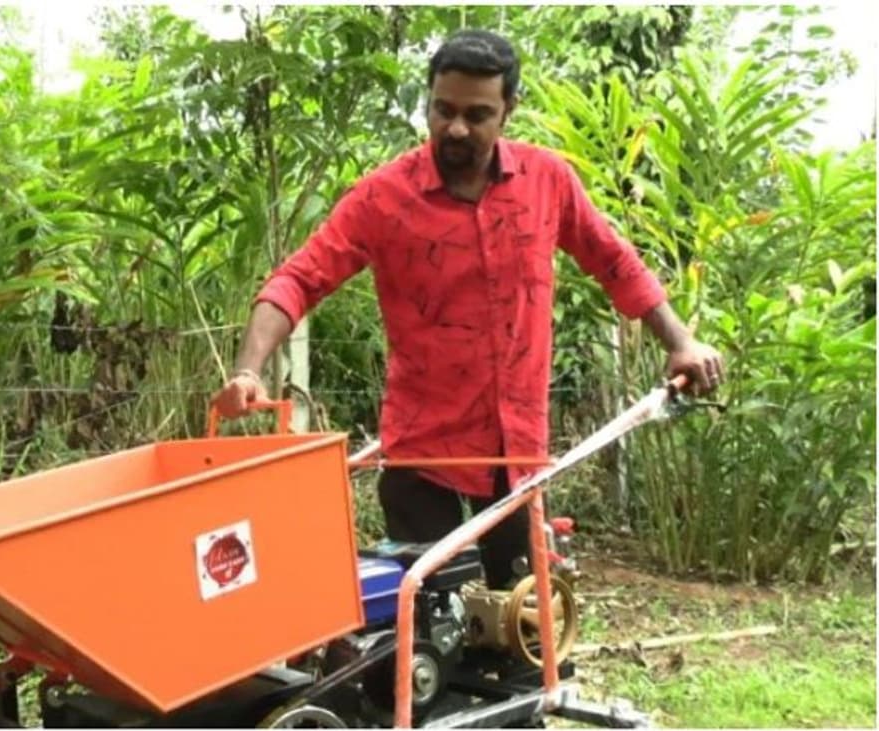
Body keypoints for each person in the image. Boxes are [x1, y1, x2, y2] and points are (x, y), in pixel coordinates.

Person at [210, 29, 724, 590]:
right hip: (421, 462)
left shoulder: (547, 181)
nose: (455, 128)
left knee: (522, 623)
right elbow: (297, 279)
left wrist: (680, 341)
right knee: (423, 626)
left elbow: (614, 261)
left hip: (518, 462)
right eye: (443, 110)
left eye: (477, 115)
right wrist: (248, 370)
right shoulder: (382, 198)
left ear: (508, 110)